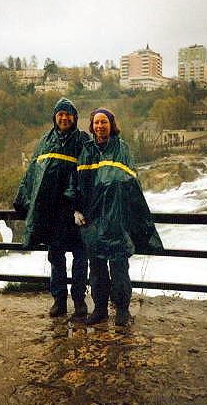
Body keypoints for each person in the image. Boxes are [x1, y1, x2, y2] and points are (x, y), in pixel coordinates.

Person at [68, 108, 163, 326]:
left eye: (104, 122)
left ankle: (122, 310)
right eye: (96, 123)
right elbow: (76, 184)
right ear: (92, 126)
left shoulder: (122, 149)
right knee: (97, 270)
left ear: (111, 125)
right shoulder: (87, 150)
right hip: (92, 223)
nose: (100, 126)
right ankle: (100, 309)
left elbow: (130, 186)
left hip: (117, 220)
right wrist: (75, 209)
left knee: (119, 268)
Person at [14, 98, 89, 319]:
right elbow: (32, 174)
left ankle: (79, 300)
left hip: (75, 213)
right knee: (56, 258)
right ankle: (59, 301)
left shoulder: (83, 141)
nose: (64, 118)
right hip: (53, 214)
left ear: (74, 118)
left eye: (68, 114)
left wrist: (80, 205)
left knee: (80, 258)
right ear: (55, 117)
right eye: (60, 114)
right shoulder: (45, 141)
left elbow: (88, 174)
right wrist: (23, 200)